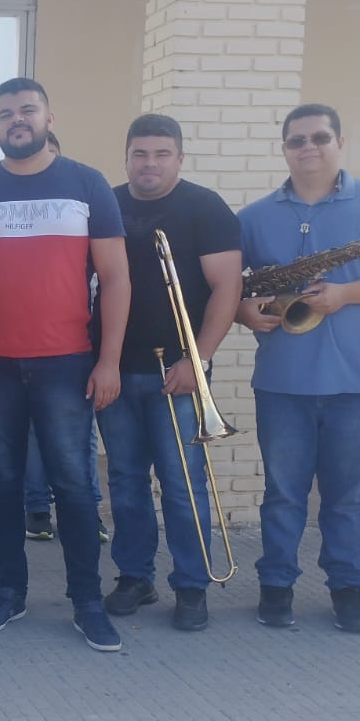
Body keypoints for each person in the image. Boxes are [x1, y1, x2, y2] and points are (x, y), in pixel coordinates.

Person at [0, 77, 130, 652]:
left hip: (66, 363)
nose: (16, 120)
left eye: (27, 110)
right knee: (1, 482)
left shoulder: (87, 184)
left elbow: (116, 278)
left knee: (73, 484)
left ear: (49, 118)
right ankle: (8, 591)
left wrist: (109, 361)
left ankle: (87, 601)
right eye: (5, 114)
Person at [235, 103, 360, 633]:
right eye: (297, 140)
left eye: (320, 138)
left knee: (347, 499)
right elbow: (229, 288)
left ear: (340, 143)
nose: (309, 148)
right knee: (282, 496)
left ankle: (347, 587)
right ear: (284, 148)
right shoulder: (253, 217)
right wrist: (242, 310)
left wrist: (346, 294)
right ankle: (276, 586)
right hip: (283, 383)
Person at [95, 115, 243, 630]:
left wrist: (198, 360)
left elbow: (227, 287)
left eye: (161, 154)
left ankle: (192, 585)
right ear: (126, 157)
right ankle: (135, 577)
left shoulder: (206, 207)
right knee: (125, 480)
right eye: (140, 153)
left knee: (182, 483)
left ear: (179, 157)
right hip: (117, 370)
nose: (149, 163)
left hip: (178, 371)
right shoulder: (107, 203)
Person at [24, 129, 105, 544]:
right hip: (27, 345)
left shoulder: (81, 206)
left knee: (80, 435)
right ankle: (37, 508)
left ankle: (87, 510)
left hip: (76, 345)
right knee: (35, 434)